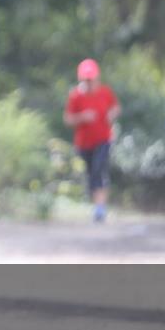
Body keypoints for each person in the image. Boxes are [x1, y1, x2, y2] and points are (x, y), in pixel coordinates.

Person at [64, 58, 121, 222]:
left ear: (97, 77)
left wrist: (112, 114)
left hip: (104, 139)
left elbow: (116, 108)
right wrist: (82, 117)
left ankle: (100, 209)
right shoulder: (75, 96)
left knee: (98, 170)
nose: (89, 82)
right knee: (91, 174)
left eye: (91, 78)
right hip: (84, 143)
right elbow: (67, 119)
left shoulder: (105, 92)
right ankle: (97, 205)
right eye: (86, 79)